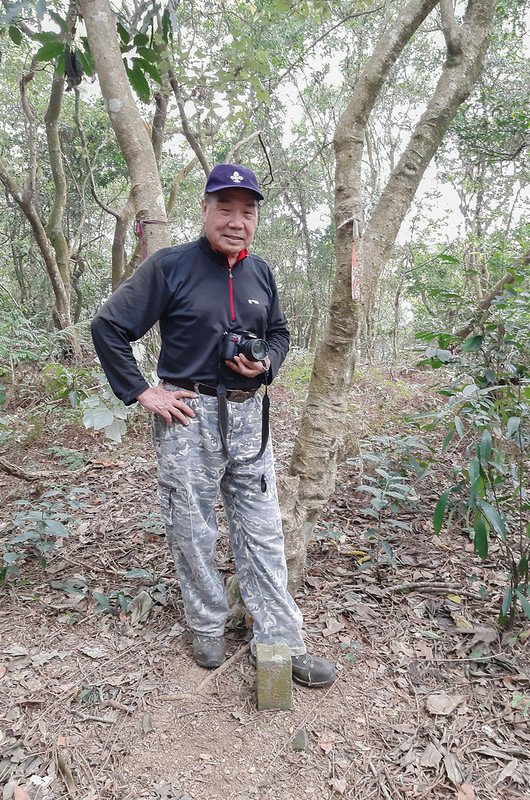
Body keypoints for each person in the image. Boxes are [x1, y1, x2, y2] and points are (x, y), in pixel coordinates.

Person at [91, 163, 336, 688]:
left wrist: (266, 363)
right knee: (193, 528)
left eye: (247, 211)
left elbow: (280, 332)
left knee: (264, 532)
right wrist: (142, 391)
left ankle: (282, 641)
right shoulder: (171, 266)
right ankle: (206, 625)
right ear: (205, 210)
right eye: (224, 208)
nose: (236, 220)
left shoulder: (260, 272)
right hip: (188, 416)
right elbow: (109, 326)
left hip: (251, 417)